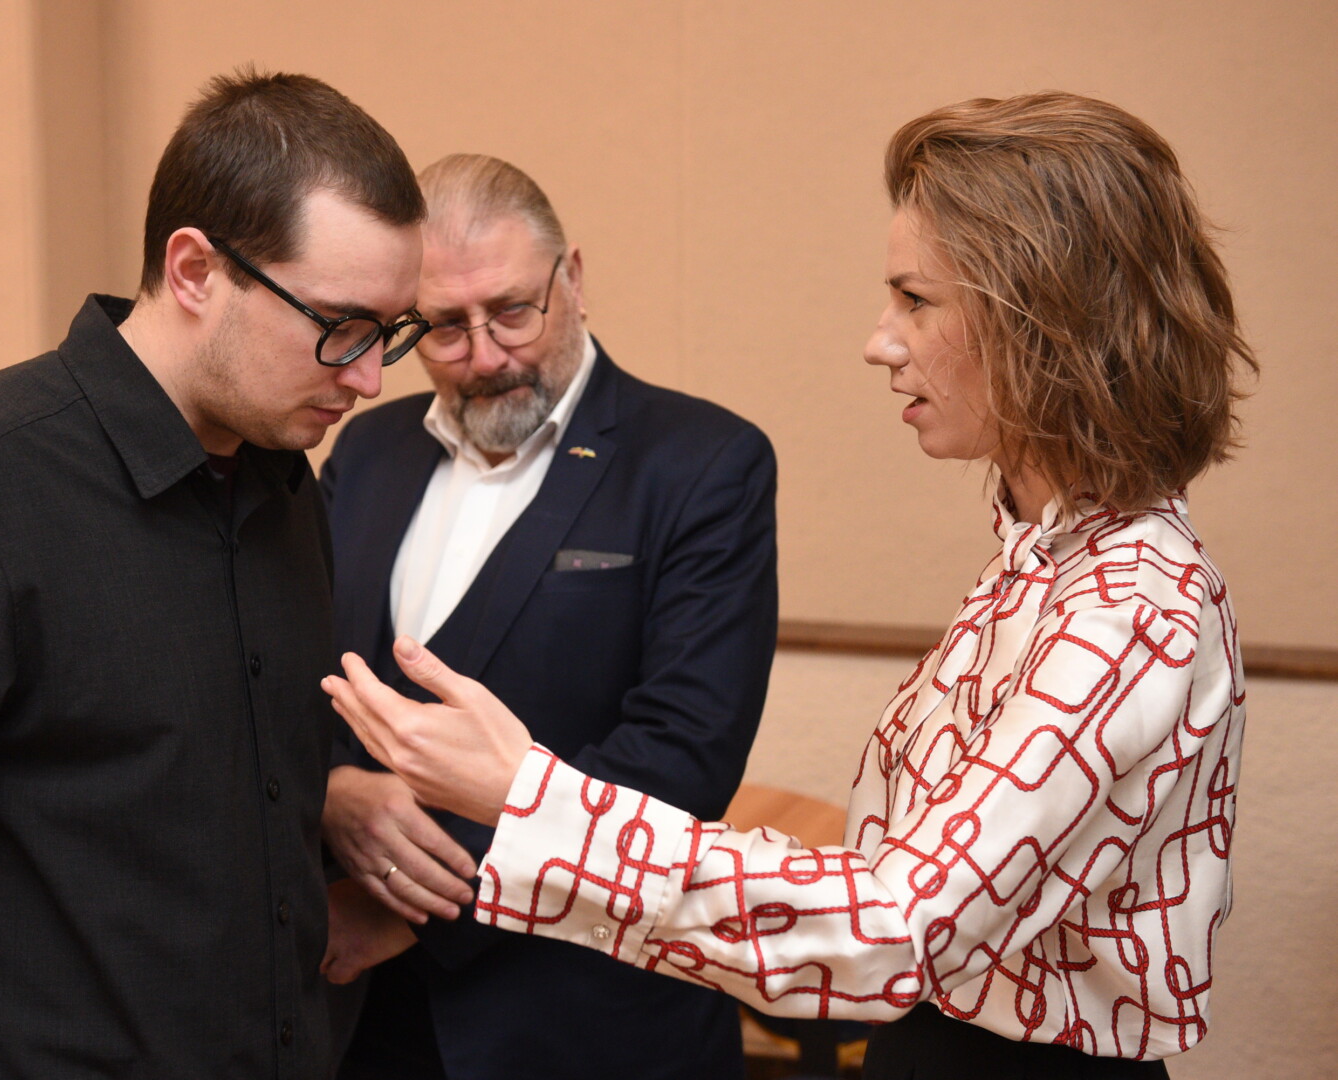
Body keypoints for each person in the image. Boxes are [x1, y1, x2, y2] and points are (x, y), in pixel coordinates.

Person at [324, 92, 1254, 1079]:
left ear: (1043, 324)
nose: (880, 341)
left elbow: (888, 930)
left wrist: (530, 800)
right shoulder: (1041, 558)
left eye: (915, 300)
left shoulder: (1129, 604)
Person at [0, 69, 428, 1077]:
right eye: (340, 326)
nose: (367, 377)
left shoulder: (285, 493)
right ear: (194, 270)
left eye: (389, 334)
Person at [317, 154, 778, 1078]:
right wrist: (331, 794)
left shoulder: (703, 463)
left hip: (588, 1022)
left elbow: (680, 758)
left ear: (572, 278)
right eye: (446, 328)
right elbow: (291, 675)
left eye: (513, 311)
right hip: (362, 1022)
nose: (488, 355)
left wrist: (415, 904)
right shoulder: (366, 451)